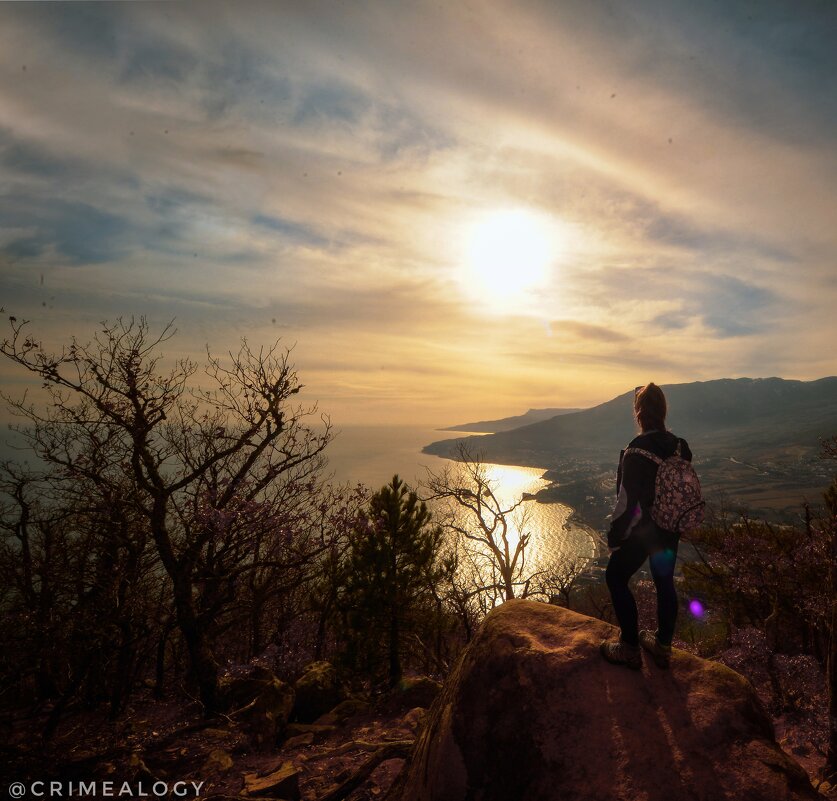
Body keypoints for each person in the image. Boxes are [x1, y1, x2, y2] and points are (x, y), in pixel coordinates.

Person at [600, 382, 692, 670]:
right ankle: (663, 646)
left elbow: (627, 504)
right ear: (663, 411)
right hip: (671, 526)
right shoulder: (680, 446)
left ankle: (629, 647)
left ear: (639, 414)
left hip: (645, 530)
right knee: (664, 582)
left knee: (615, 577)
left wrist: (615, 537)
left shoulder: (635, 452)